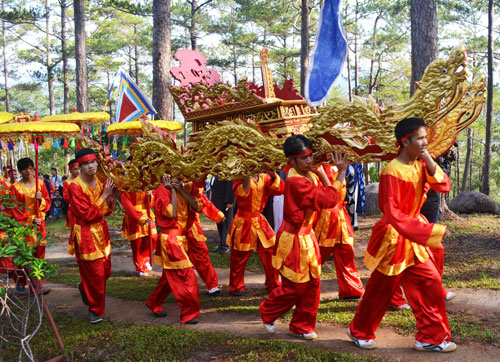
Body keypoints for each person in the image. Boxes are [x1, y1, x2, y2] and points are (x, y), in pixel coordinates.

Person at [347, 117, 456, 353]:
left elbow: (443, 185)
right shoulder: (391, 171)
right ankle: (359, 330)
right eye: (420, 138)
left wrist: (427, 157)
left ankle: (431, 337)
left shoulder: (420, 165)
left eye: (426, 137)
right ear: (404, 142)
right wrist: (429, 231)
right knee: (380, 290)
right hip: (394, 238)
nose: (425, 142)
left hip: (414, 238)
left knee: (432, 283)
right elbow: (393, 214)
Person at [260, 135, 347, 340]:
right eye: (304, 157)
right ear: (291, 161)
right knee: (295, 286)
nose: (309, 160)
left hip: (307, 237)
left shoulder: (311, 174)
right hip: (293, 240)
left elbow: (333, 198)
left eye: (311, 155)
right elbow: (328, 199)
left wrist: (322, 173)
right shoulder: (295, 181)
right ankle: (268, 311)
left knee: (313, 284)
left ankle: (302, 326)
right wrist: (341, 172)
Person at [68, 148, 115, 324]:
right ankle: (95, 310)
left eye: (93, 162)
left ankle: (84, 287)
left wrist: (107, 197)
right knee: (96, 274)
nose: (90, 166)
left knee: (106, 270)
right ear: (79, 167)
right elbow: (86, 214)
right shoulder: (75, 186)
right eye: (86, 163)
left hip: (102, 231)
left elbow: (107, 211)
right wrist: (104, 196)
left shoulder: (101, 180)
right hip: (86, 233)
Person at [146, 176, 200, 324]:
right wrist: (172, 191)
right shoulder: (162, 189)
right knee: (187, 276)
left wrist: (180, 190)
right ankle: (188, 313)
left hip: (182, 239)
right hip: (171, 239)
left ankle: (154, 302)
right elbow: (172, 213)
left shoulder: (186, 186)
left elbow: (197, 206)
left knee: (168, 279)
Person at [227, 170, 285, 296]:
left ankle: (273, 283)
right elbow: (243, 194)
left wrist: (273, 173)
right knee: (239, 256)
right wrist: (247, 175)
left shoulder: (265, 177)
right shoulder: (239, 177)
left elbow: (279, 190)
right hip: (243, 222)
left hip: (259, 220)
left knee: (270, 251)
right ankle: (236, 286)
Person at [314, 163, 364, 301]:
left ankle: (351, 290)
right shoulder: (315, 168)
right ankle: (302, 289)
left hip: (341, 217)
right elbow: (331, 195)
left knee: (346, 253)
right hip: (325, 220)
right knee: (316, 257)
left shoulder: (340, 167)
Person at [8, 157, 51, 294]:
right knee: (24, 256)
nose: (28, 171)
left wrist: (41, 200)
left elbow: (47, 204)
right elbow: (14, 209)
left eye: (30, 168)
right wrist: (29, 220)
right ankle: (21, 281)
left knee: (39, 254)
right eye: (25, 169)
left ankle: (38, 284)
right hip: (23, 227)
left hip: (39, 226)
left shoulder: (40, 185)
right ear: (20, 172)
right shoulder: (15, 188)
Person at [176, 180, 223, 296]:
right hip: (174, 225)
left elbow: (200, 202)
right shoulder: (166, 181)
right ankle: (179, 286)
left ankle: (212, 284)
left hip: (191, 224)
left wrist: (217, 214)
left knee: (201, 253)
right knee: (176, 258)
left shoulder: (194, 181)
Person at [120, 188, 157, 277]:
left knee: (153, 238)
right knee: (137, 242)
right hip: (134, 217)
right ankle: (140, 266)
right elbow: (127, 204)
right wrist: (139, 217)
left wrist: (150, 195)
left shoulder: (147, 184)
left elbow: (152, 203)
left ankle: (144, 260)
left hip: (147, 213)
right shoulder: (126, 185)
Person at [209, 176, 234, 254]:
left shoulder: (227, 169)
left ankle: (226, 245)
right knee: (220, 223)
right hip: (217, 201)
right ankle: (221, 244)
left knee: (227, 224)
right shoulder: (216, 171)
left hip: (225, 202)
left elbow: (230, 185)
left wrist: (229, 201)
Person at [63, 159, 80, 255]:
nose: (77, 171)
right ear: (70, 170)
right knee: (76, 231)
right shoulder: (67, 182)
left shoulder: (84, 180)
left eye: (79, 169)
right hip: (73, 210)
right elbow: (66, 197)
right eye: (75, 169)